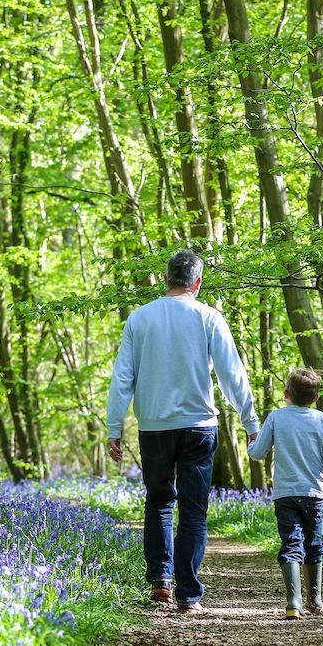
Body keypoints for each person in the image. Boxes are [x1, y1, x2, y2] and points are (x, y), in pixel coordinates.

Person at [106, 250, 259, 615]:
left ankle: (161, 581)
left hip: (154, 427)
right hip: (198, 427)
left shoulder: (139, 319)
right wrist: (250, 421)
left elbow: (122, 377)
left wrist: (114, 426)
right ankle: (188, 594)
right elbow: (231, 374)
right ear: (198, 282)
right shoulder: (209, 317)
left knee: (159, 502)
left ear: (166, 279)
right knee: (193, 511)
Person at [246, 367, 323, 619]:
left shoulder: (276, 417)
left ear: (285, 393)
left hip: (285, 494)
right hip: (316, 495)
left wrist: (251, 442)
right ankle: (316, 600)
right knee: (314, 543)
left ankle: (293, 603)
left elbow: (258, 453)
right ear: (316, 398)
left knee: (291, 542)